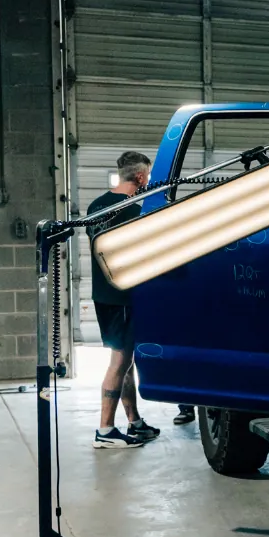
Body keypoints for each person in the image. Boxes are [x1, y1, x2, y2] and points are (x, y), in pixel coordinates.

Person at [87, 150, 161, 448]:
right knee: (119, 362)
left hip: (103, 295)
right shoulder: (132, 211)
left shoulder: (96, 205)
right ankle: (105, 431)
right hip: (123, 298)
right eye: (148, 176)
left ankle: (134, 421)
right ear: (141, 177)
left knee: (125, 359)